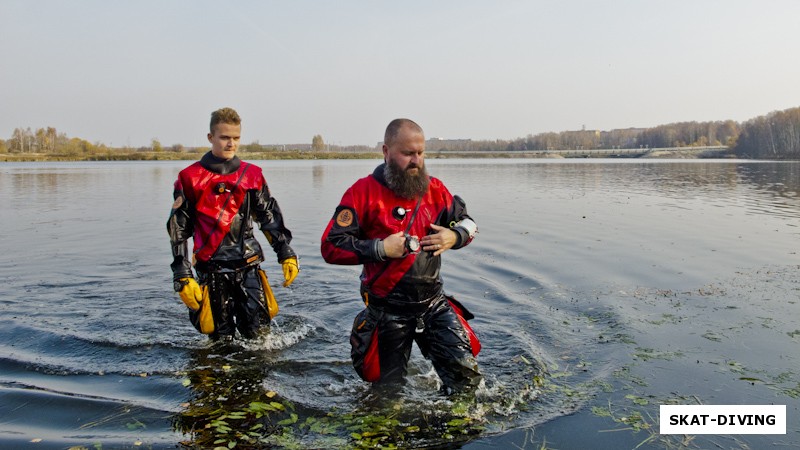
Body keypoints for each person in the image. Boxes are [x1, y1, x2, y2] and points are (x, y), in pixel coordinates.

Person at [321, 118, 482, 395]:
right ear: (386, 152)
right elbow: (331, 246)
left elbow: (468, 222)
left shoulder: (436, 190)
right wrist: (381, 249)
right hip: (387, 310)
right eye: (407, 153)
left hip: (433, 305)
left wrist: (454, 237)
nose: (416, 160)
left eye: (420, 153)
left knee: (466, 383)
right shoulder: (362, 193)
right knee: (387, 394)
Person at [168, 107, 299, 340]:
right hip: (212, 270)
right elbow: (179, 229)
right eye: (225, 137)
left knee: (258, 336)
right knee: (220, 340)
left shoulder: (252, 175)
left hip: (248, 265)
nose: (231, 143)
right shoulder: (190, 178)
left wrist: (285, 252)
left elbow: (268, 216)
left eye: (236, 138)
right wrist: (182, 273)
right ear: (210, 137)